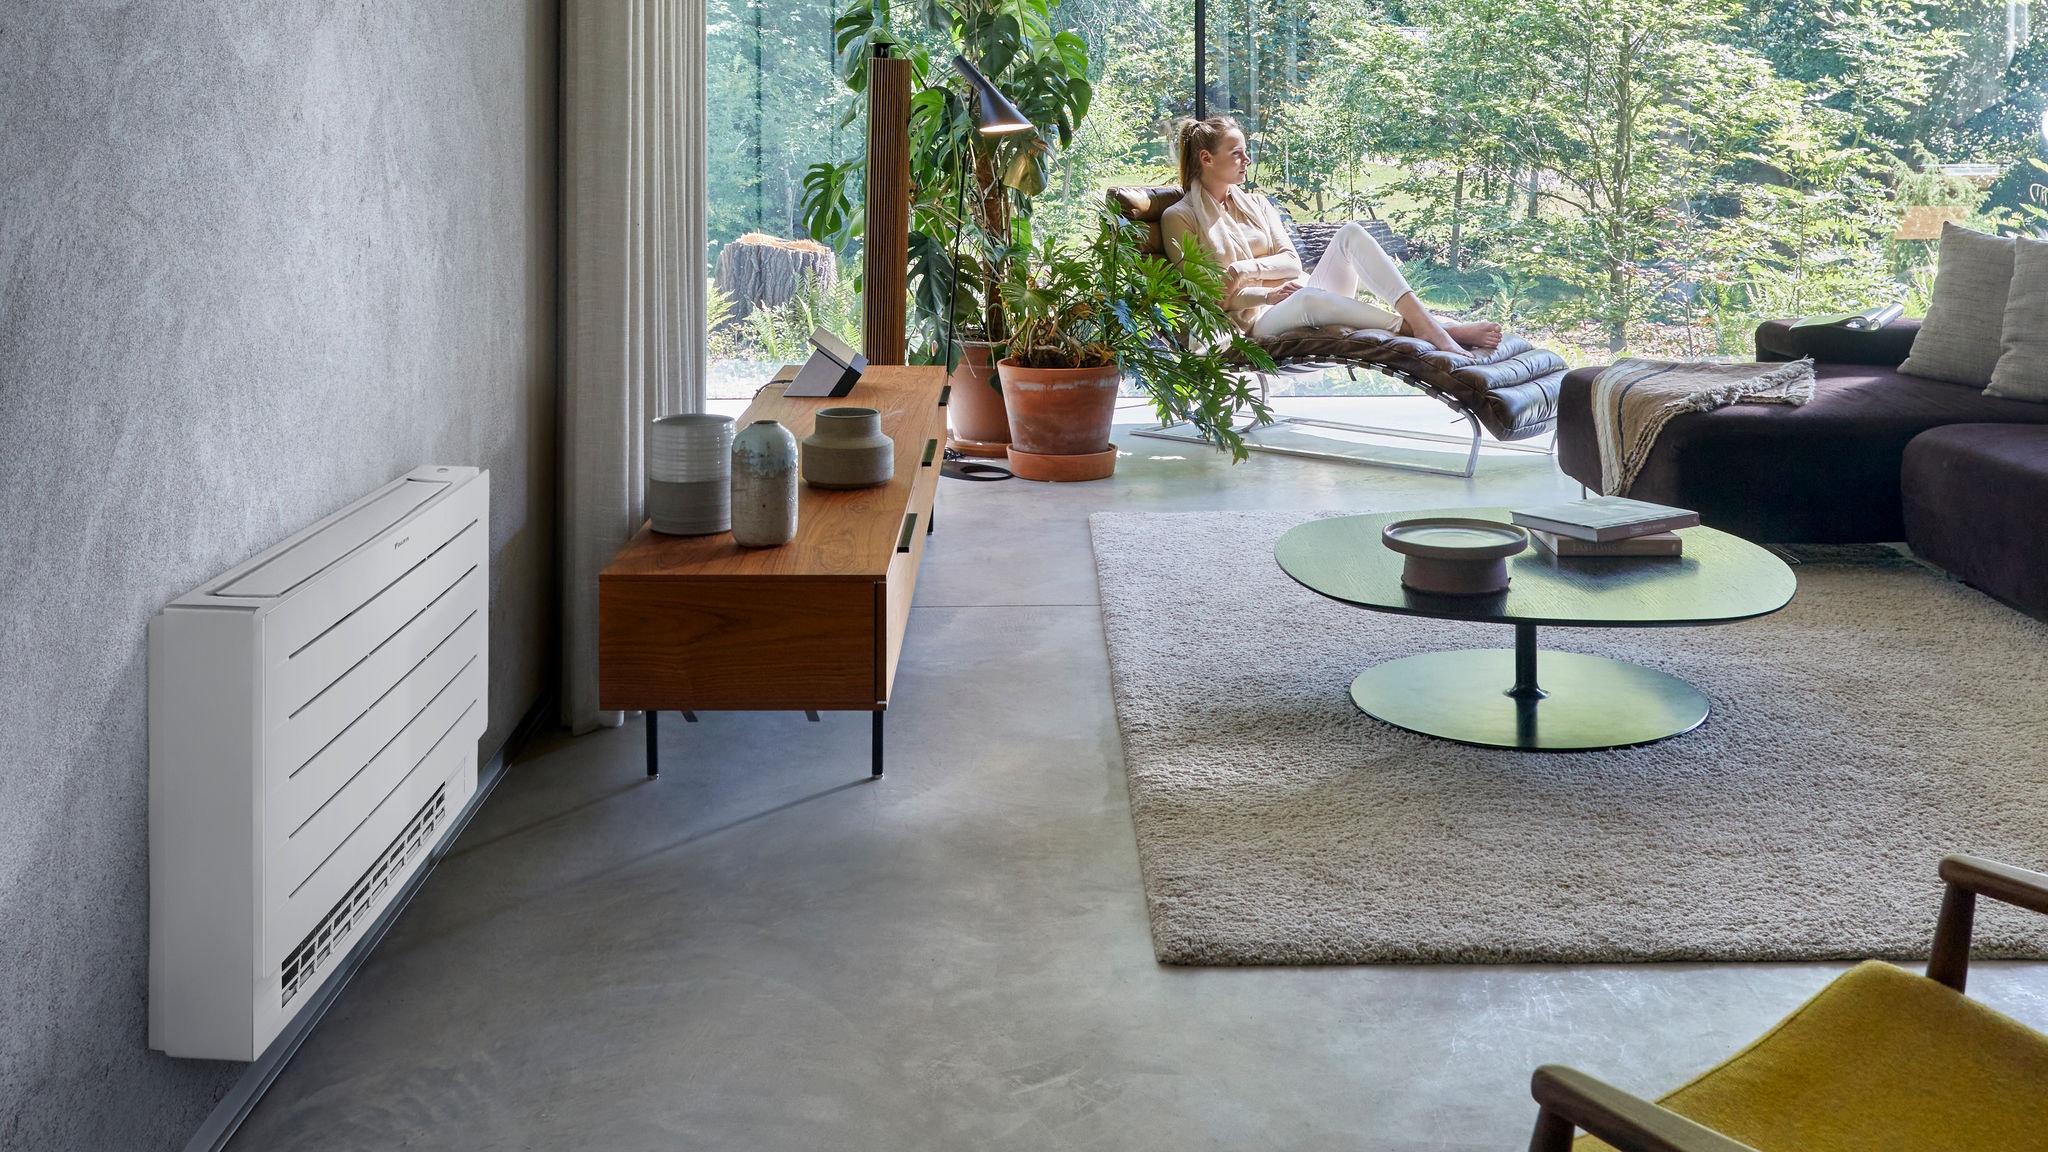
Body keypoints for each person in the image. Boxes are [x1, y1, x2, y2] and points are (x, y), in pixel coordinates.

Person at [1159, 116, 1501, 357]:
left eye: (1246, 151)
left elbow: (1291, 263)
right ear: (1207, 158)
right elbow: (1210, 296)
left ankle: (1423, 323)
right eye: (1237, 153)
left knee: (1350, 233)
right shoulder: (1179, 218)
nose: (1247, 160)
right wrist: (1268, 295)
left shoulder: (1257, 204)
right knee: (1309, 299)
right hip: (1253, 322)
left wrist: (1242, 271)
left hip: (1296, 293)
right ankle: (1434, 328)